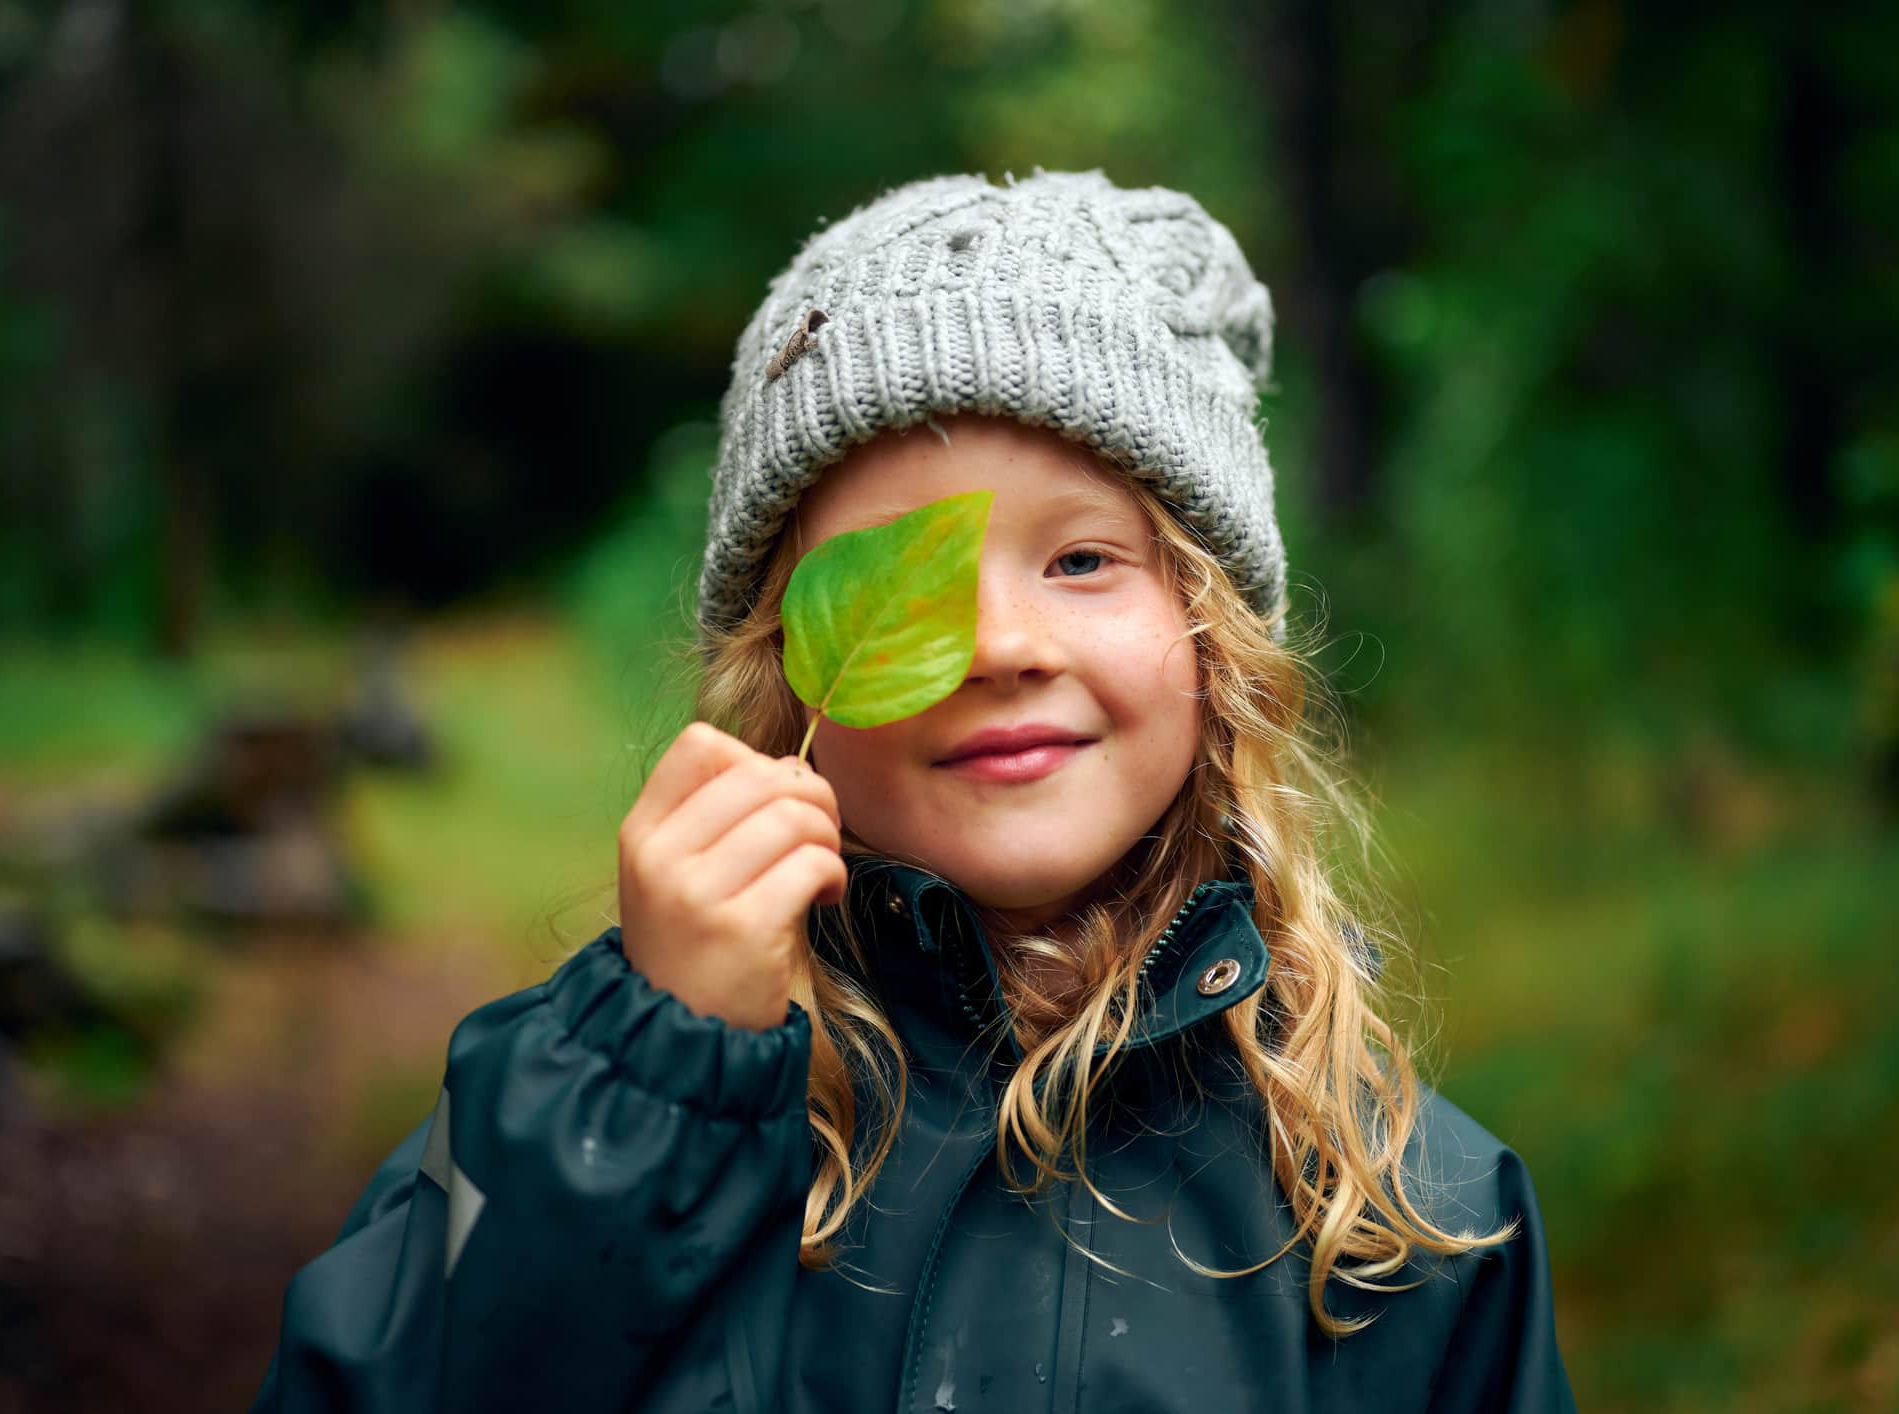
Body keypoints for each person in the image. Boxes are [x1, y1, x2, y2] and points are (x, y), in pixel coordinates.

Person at [251, 169, 1578, 1413]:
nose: (999, 643)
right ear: (789, 668)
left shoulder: (1405, 1213)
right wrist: (652, 1076)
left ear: (1210, 639)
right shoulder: (581, 1100)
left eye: (1080, 559)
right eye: (908, 582)